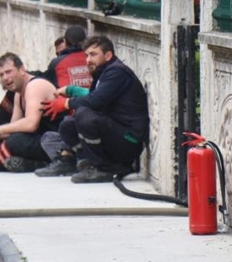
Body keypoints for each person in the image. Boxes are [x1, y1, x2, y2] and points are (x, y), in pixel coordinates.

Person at [38, 36, 149, 183]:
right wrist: (71, 91)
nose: (88, 60)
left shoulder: (117, 72)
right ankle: (77, 161)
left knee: (84, 114)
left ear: (108, 55)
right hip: (115, 134)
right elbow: (94, 96)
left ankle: (102, 168)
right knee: (67, 125)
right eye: (87, 55)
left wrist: (66, 103)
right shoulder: (103, 72)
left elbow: (96, 101)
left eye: (93, 54)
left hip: (129, 141)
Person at [39, 25, 92, 89]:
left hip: (66, 98)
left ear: (65, 42)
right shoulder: (93, 59)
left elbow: (49, 84)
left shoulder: (57, 63)